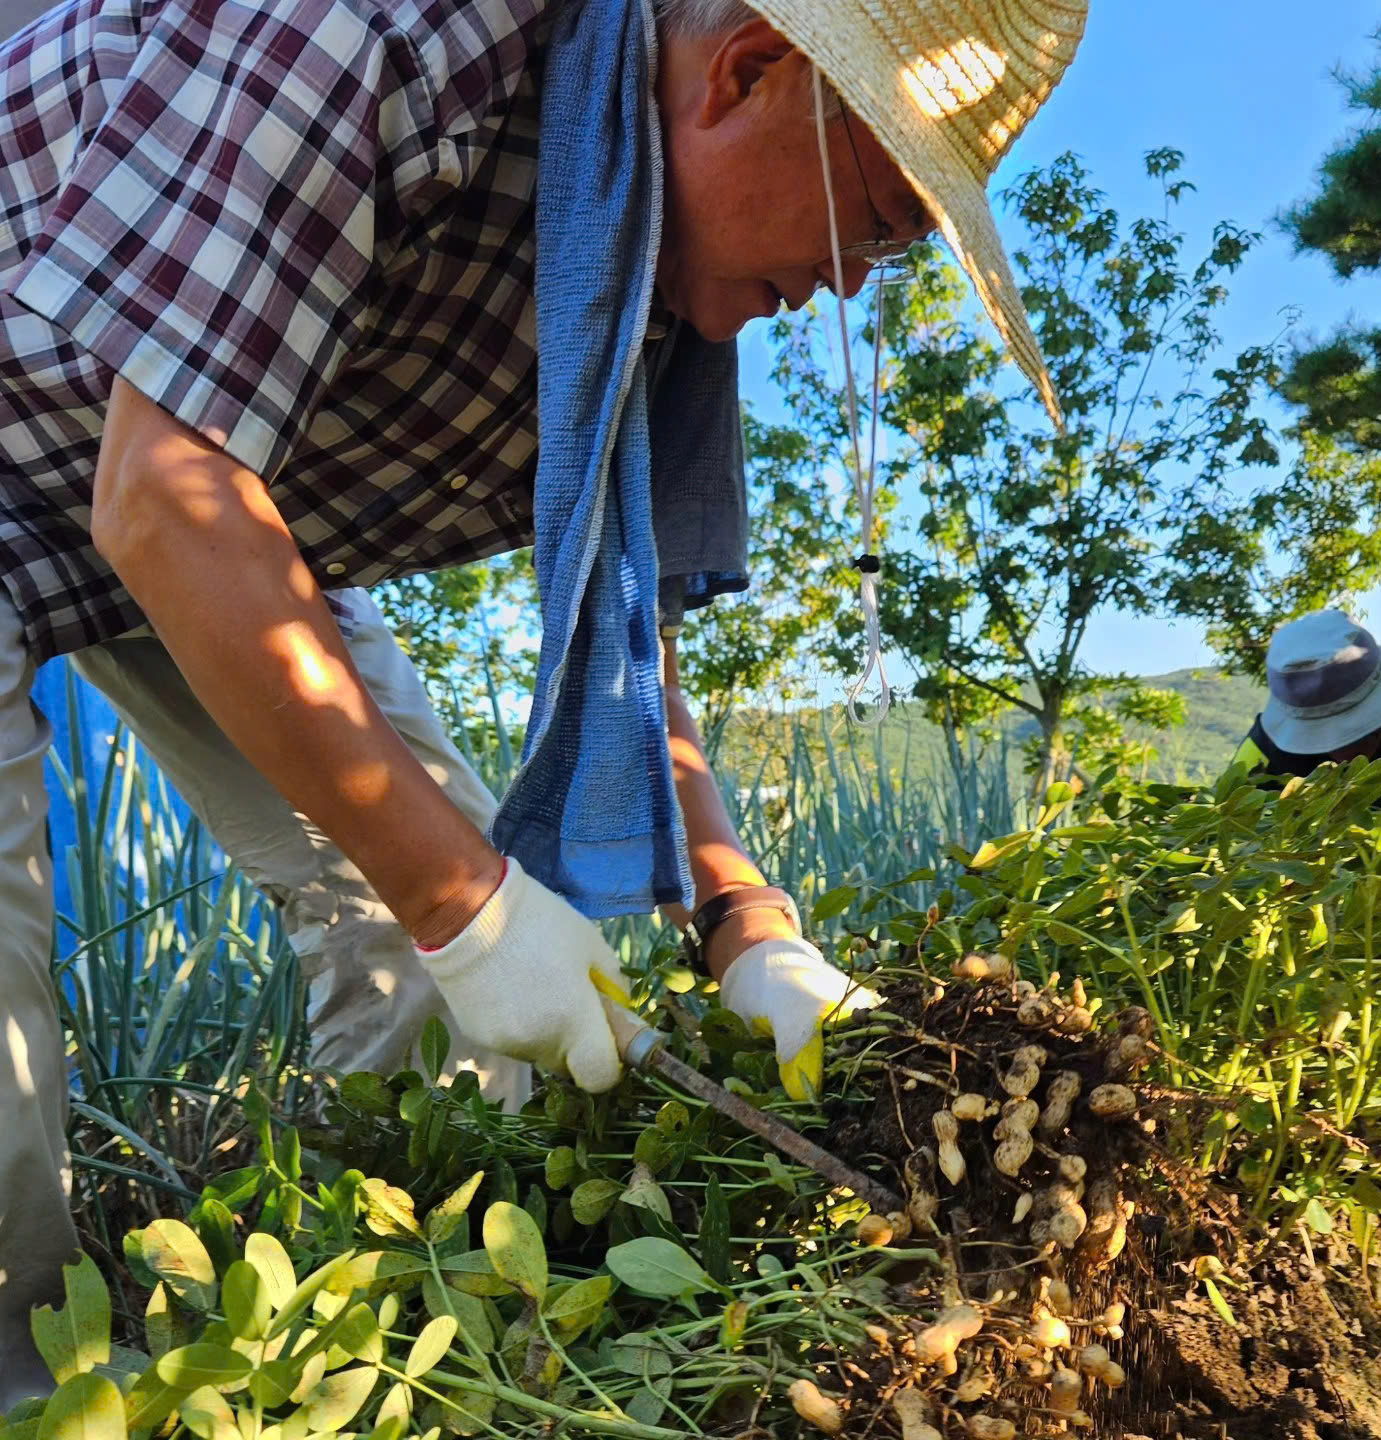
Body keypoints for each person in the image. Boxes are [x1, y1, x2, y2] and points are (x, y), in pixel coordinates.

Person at [0, 0, 1086, 1398]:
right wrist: (470, 906)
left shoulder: (649, 258)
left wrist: (748, 928)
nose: (855, 283)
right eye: (873, 223)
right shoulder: (386, 31)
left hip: (207, 500)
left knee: (425, 949)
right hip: (147, 463)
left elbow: (634, 637)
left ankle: (394, 1341)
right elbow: (169, 497)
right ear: (748, 72)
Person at [1233, 610, 1381, 777]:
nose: (1346, 756)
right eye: (1322, 739)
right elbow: (1221, 810)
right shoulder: (1264, 751)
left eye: (1362, 735)